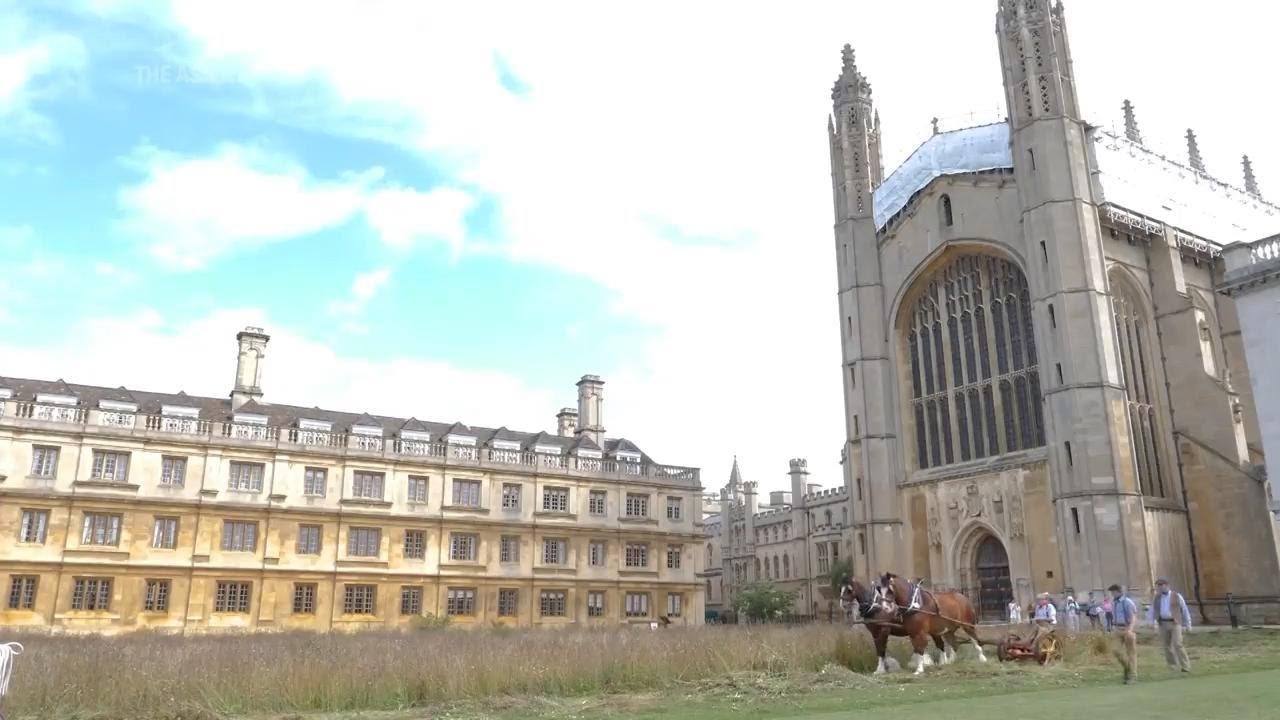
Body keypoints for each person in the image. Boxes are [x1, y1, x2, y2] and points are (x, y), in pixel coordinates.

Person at [1146, 578, 1192, 673]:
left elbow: (1184, 610)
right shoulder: (1157, 597)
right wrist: (1151, 621)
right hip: (1163, 623)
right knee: (1166, 646)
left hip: (1175, 623)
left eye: (1161, 585)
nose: (1159, 588)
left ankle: (1186, 666)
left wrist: (1188, 623)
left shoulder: (1176, 596)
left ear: (1167, 585)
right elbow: (1152, 610)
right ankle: (1173, 667)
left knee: (1178, 644)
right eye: (1158, 586)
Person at [1109, 583, 1140, 684]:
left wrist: (1130, 630)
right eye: (1112, 592)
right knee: (1115, 650)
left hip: (1127, 628)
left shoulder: (1127, 602)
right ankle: (1127, 667)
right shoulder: (1114, 603)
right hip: (1117, 628)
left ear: (1119, 592)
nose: (1112, 594)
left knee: (1131, 653)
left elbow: (1133, 617)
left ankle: (1133, 676)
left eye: (1114, 592)